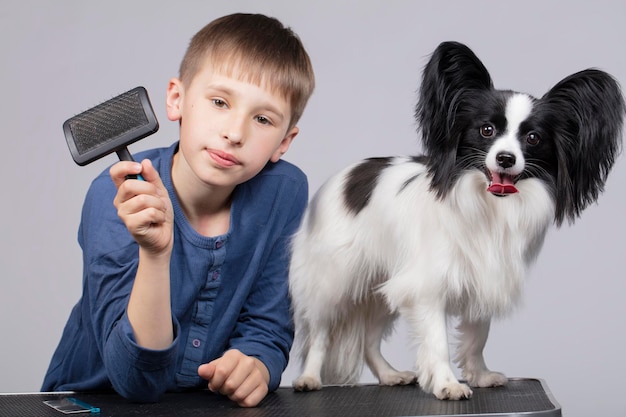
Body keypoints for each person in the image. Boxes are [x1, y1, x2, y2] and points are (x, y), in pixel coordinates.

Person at [42, 13, 315, 408]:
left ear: (284, 142)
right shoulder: (114, 195)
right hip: (91, 400)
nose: (235, 133)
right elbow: (134, 381)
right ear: (176, 99)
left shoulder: (285, 192)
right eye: (220, 102)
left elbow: (267, 325)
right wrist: (155, 254)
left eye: (262, 118)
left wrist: (257, 363)